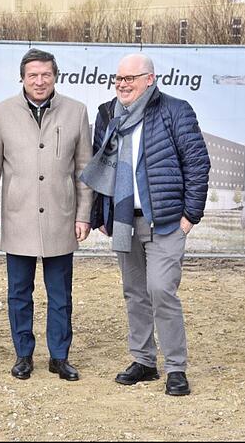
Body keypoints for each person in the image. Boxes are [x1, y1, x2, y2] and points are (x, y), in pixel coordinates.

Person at [81, 53, 210, 396]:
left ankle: (176, 367)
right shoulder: (108, 113)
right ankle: (144, 361)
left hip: (166, 221)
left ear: (149, 79)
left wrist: (189, 217)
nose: (122, 85)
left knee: (161, 290)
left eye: (130, 79)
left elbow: (197, 164)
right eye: (119, 79)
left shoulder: (174, 110)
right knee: (135, 293)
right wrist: (101, 215)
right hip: (125, 221)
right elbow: (101, 168)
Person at [0, 48, 93, 381]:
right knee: (19, 292)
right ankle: (23, 354)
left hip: (61, 217)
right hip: (19, 217)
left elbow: (84, 169)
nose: (39, 81)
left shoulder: (76, 112)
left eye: (46, 74)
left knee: (60, 294)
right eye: (33, 75)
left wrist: (83, 214)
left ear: (55, 76)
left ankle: (59, 356)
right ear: (22, 78)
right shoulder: (1, 113)